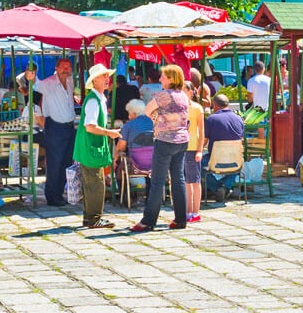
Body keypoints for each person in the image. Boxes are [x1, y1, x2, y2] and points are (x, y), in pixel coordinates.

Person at [130, 65, 191, 232]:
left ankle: (148, 221)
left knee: (157, 181)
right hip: (181, 140)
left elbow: (146, 110)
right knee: (178, 180)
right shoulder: (183, 95)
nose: (161, 79)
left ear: (171, 79)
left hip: (165, 140)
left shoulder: (164, 95)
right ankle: (180, 219)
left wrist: (158, 119)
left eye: (164, 76)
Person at [75, 64, 121, 229]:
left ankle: (90, 218)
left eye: (107, 76)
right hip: (90, 147)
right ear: (95, 80)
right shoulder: (94, 100)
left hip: (91, 147)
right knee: (96, 183)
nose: (107, 79)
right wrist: (110, 132)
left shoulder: (99, 98)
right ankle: (94, 219)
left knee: (92, 183)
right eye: (104, 76)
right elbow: (90, 126)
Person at [35, 58, 78, 206]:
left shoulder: (71, 81)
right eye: (63, 67)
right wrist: (30, 76)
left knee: (66, 162)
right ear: (57, 68)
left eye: (69, 66)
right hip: (54, 127)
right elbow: (35, 88)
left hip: (69, 127)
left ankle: (59, 194)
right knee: (54, 163)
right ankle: (52, 196)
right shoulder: (48, 83)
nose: (66, 69)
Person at [203, 94, 244, 202]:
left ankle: (217, 188)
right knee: (240, 163)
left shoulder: (211, 119)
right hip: (235, 161)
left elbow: (203, 142)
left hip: (215, 160)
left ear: (215, 106)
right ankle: (225, 186)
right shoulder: (239, 119)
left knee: (194, 165)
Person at [182, 81, 206, 223]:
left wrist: (199, 150)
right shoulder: (178, 108)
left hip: (192, 147)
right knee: (185, 182)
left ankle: (196, 212)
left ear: (191, 92)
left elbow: (202, 130)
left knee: (195, 181)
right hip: (180, 147)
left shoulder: (197, 108)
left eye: (184, 90)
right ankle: (187, 211)